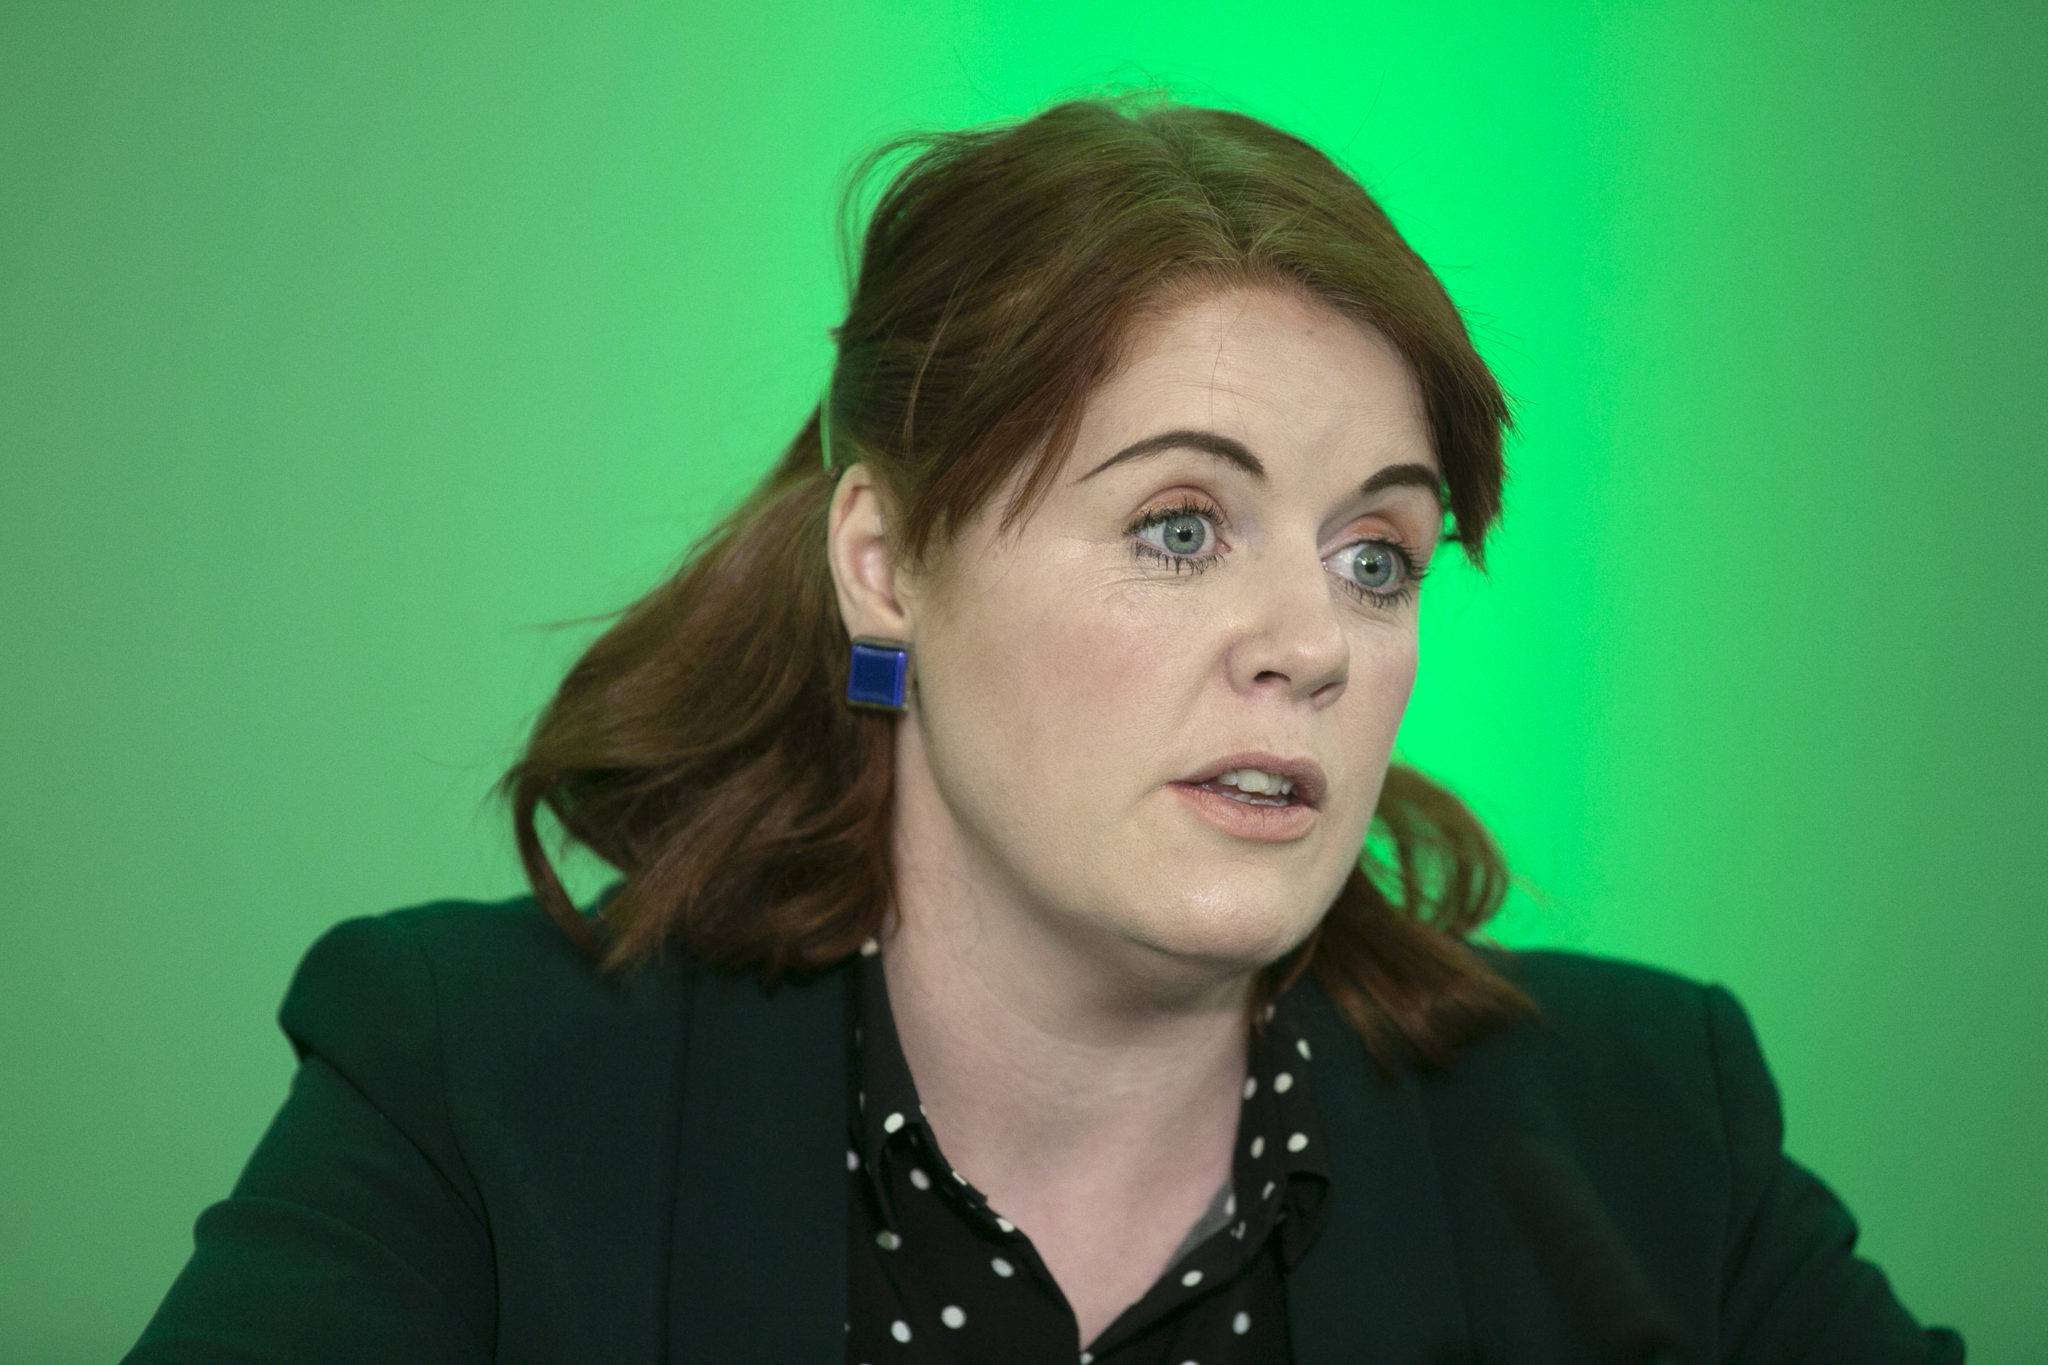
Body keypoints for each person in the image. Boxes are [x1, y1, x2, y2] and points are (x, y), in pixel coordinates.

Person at [125, 96, 1963, 1364]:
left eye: (1378, 555)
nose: (1310, 642)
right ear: (886, 565)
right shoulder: (474, 1085)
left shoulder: (1648, 1130)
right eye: (1181, 527)